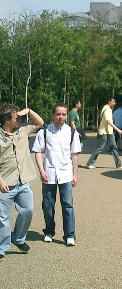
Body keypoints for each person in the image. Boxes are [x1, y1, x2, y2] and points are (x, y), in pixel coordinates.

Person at [32, 103, 81, 246]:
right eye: (58, 114)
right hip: (49, 173)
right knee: (48, 205)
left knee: (67, 205)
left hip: (66, 174)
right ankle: (48, 231)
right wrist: (41, 170)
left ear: (66, 116)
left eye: (63, 114)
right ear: (53, 115)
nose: (61, 117)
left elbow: (74, 155)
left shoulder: (72, 133)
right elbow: (38, 152)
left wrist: (75, 174)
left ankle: (69, 235)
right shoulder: (45, 132)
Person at [0, 104, 44, 260]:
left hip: (23, 182)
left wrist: (30, 111)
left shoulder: (23, 130)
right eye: (16, 117)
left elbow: (40, 123)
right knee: (3, 218)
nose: (20, 119)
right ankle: (2, 247)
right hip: (5, 184)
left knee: (28, 210)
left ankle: (18, 238)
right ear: (7, 120)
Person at [85, 97, 122, 170]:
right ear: (109, 101)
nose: (114, 103)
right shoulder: (107, 110)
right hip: (104, 132)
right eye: (113, 101)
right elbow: (109, 121)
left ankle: (119, 164)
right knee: (99, 148)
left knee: (114, 147)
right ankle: (90, 163)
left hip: (109, 132)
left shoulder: (108, 109)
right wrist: (118, 130)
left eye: (114, 101)